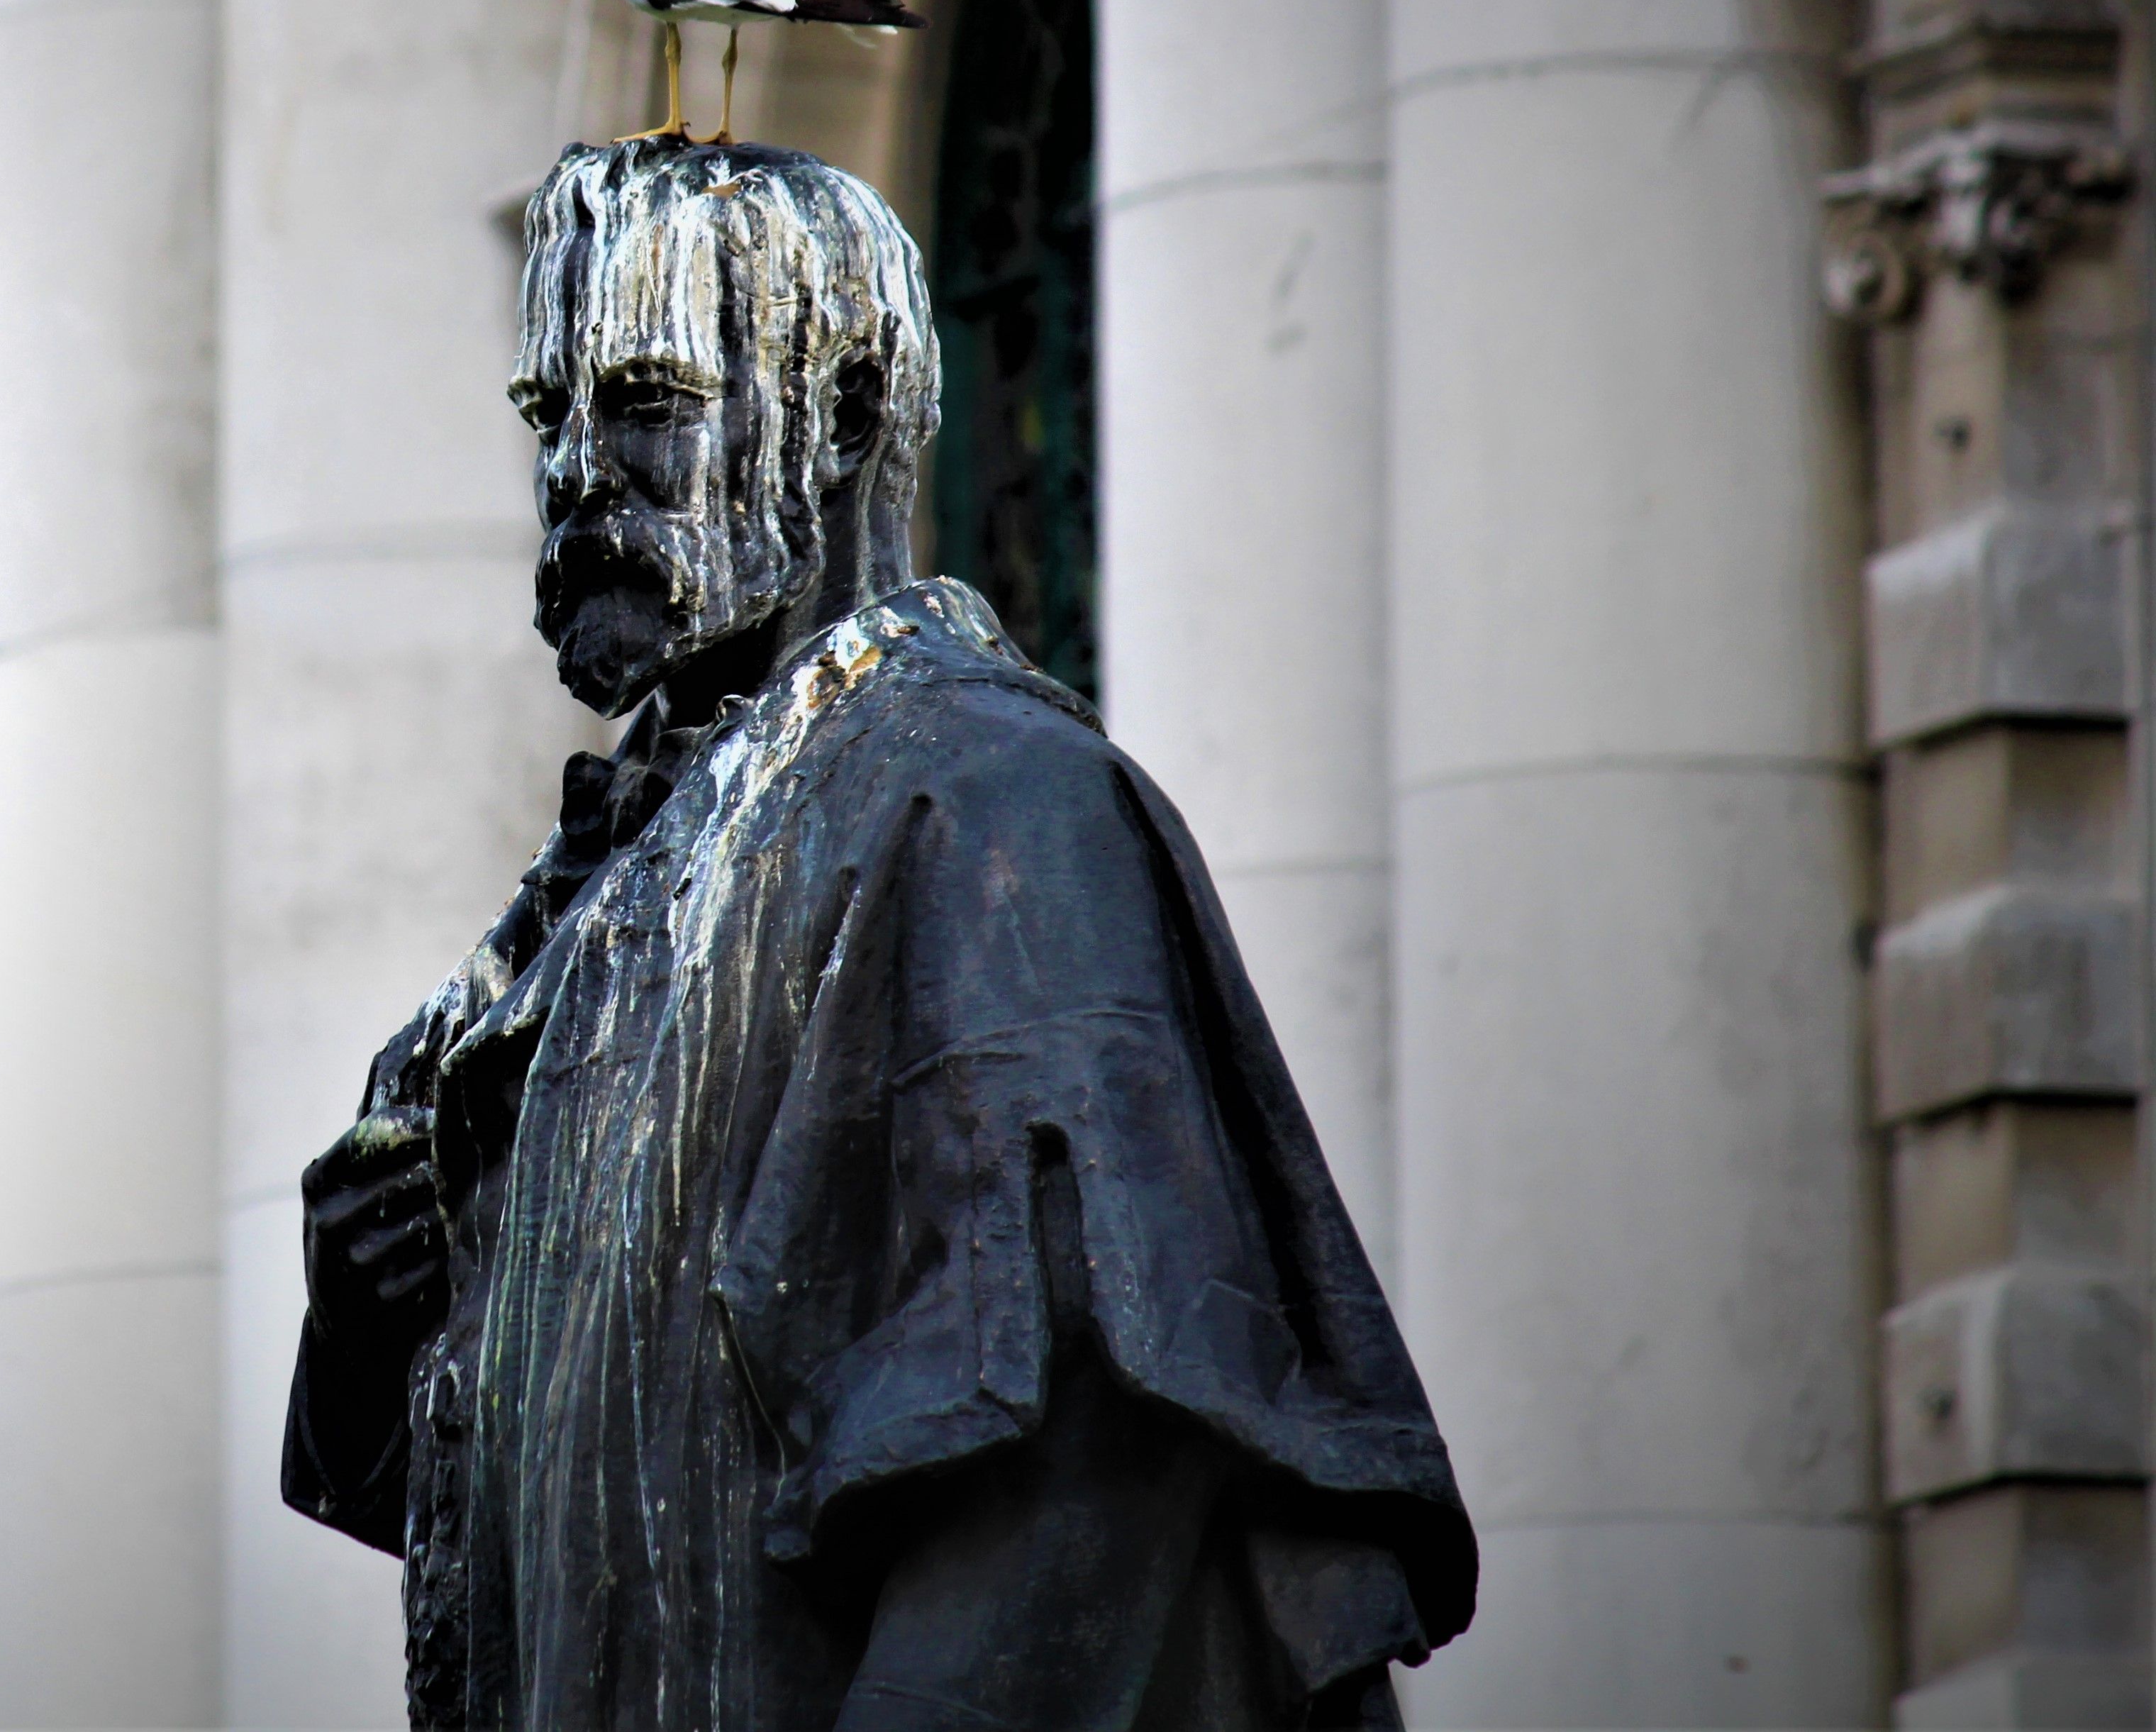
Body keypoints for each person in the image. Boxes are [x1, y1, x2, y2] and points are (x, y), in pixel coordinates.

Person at [284, 139, 1474, 1731]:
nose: (576, 473)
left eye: (641, 404)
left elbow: (1081, 1480)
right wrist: (383, 1322)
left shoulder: (988, 803)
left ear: (840, 419)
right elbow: (572, 1507)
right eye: (546, 419)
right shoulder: (590, 907)